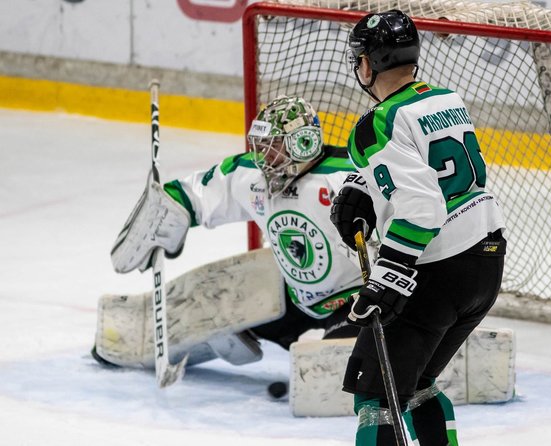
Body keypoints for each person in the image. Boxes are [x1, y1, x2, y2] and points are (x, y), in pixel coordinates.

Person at [329, 10, 506, 446]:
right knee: (420, 381)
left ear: (368, 63)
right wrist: (364, 186)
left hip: (436, 272)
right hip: (486, 260)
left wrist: (389, 277)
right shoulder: (448, 98)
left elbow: (422, 207)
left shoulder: (376, 124)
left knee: (376, 399)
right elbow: (430, 170)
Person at [97, 95, 364, 368]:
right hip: (296, 295)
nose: (264, 159)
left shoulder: (347, 176)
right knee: (218, 309)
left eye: (273, 148)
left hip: (356, 299)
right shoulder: (251, 175)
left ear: (303, 144)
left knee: (342, 372)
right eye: (260, 148)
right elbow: (196, 194)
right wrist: (164, 212)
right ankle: (145, 341)